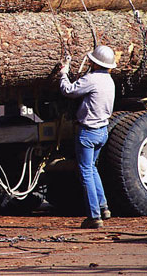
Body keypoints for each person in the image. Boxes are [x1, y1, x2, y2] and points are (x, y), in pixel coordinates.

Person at [59, 45, 116, 229]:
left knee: (86, 173)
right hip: (102, 132)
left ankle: (94, 216)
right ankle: (103, 206)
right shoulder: (109, 81)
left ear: (95, 63)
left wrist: (63, 73)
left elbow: (68, 91)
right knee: (92, 168)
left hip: (88, 132)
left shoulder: (92, 79)